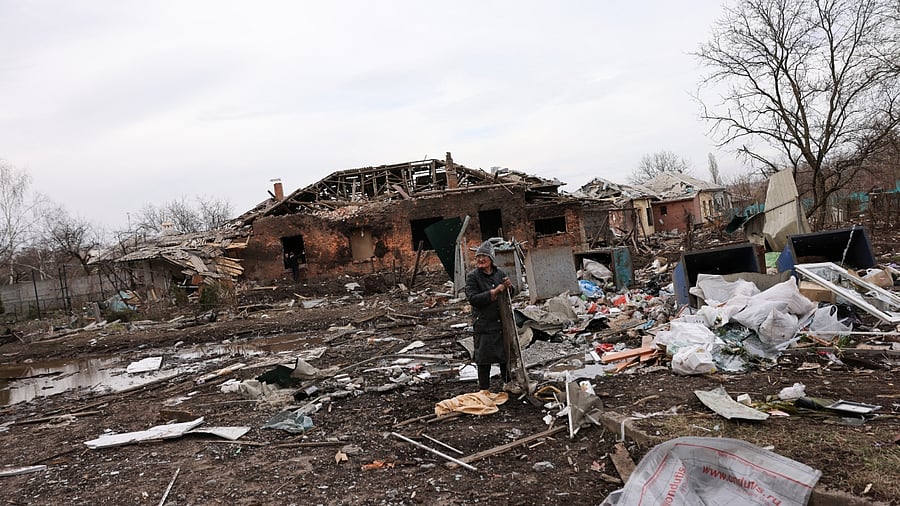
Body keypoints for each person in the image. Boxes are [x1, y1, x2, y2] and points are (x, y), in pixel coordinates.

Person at [465, 239, 520, 394]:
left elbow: (511, 294)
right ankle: (484, 389)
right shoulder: (473, 277)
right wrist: (493, 293)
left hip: (501, 321)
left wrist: (510, 287)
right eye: (478, 257)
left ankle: (508, 382)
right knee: (483, 357)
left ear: (491, 259)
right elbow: (472, 298)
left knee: (505, 353)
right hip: (483, 322)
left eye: (484, 256)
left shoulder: (499, 273)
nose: (480, 260)